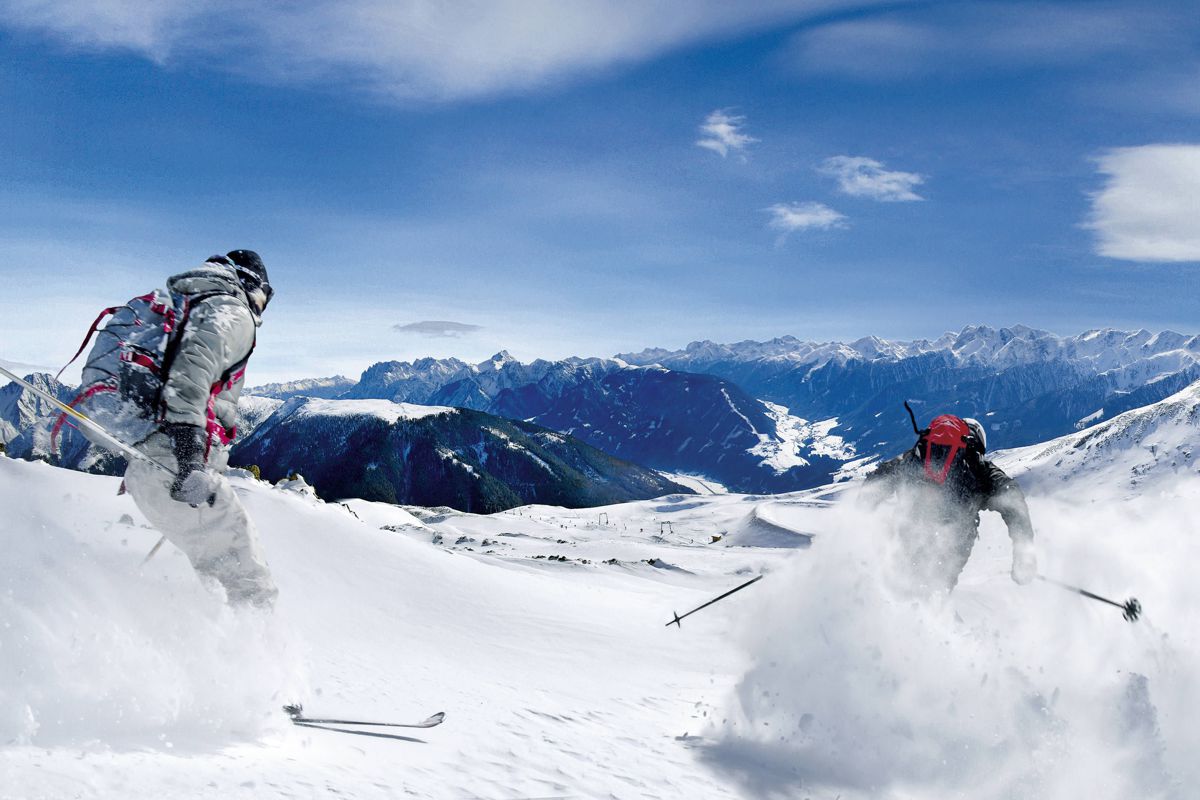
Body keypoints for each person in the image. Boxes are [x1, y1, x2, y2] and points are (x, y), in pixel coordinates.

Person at [122, 250, 278, 608]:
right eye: (265, 295)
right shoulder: (231, 312)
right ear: (251, 284)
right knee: (252, 587)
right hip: (176, 467)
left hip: (152, 467)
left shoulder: (193, 307)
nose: (262, 307)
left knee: (216, 587)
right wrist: (191, 460)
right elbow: (189, 374)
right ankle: (258, 660)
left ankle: (199, 655)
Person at [860, 411, 1036, 595]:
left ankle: (894, 606)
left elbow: (878, 480)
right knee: (936, 590)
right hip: (952, 545)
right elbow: (1012, 499)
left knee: (899, 584)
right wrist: (1024, 551)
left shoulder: (916, 456)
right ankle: (933, 610)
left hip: (907, 535)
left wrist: (856, 519)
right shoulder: (980, 469)